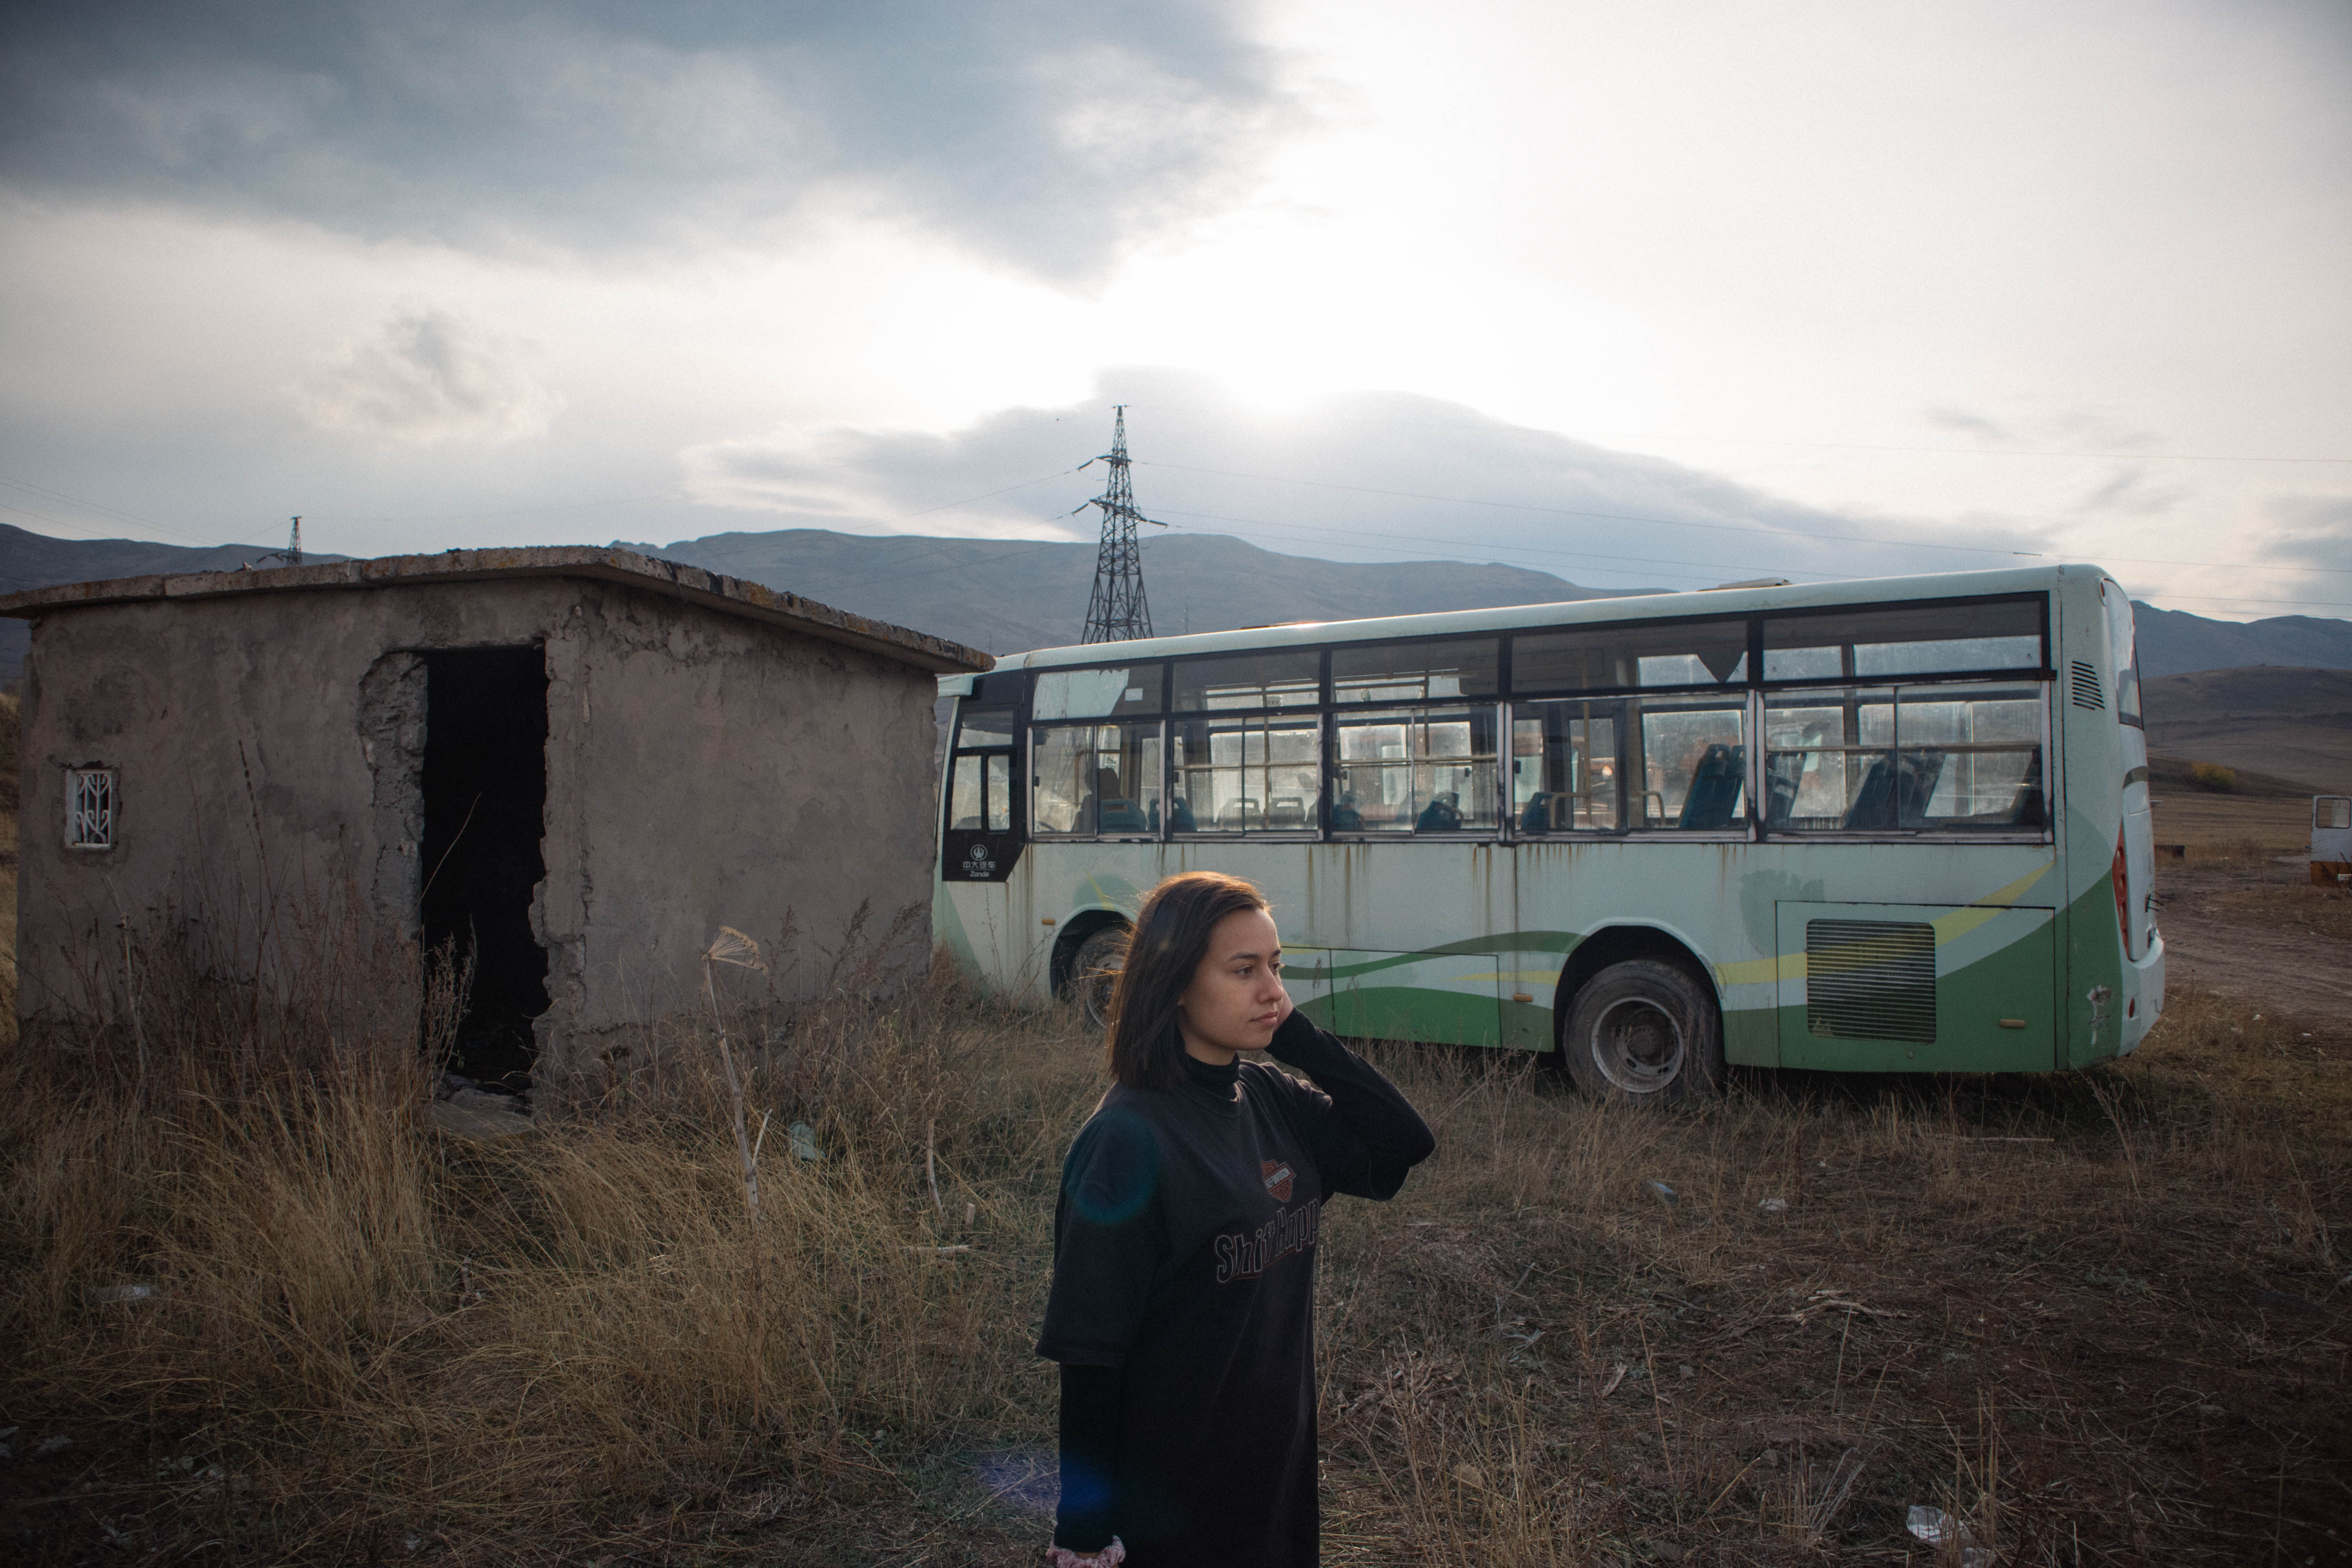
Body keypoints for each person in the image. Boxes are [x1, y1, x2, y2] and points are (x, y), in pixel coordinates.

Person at [1037, 872, 1435, 1567]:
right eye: (1244, 970)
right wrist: (1084, 1531)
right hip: (1173, 1503)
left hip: (1275, 1476)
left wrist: (1294, 1036)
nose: (1272, 990)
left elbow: (1404, 1143)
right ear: (1175, 983)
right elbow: (1092, 1356)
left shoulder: (1270, 1096)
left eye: (1277, 967)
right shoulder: (1125, 1143)